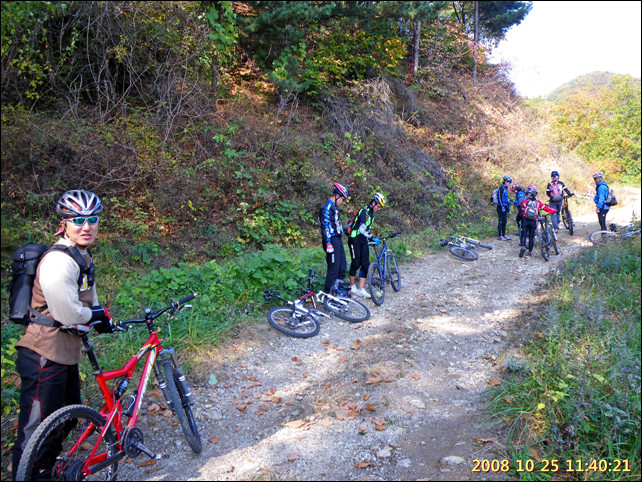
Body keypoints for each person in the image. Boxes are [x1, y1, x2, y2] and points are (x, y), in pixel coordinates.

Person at [12, 190, 115, 480]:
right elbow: (69, 314)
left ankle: (45, 470)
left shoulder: (81, 256)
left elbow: (87, 297)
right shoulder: (59, 261)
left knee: (65, 420)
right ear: (64, 223)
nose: (87, 226)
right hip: (43, 353)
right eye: (78, 220)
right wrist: (96, 315)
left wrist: (99, 315)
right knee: (35, 430)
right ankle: (30, 474)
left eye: (92, 219)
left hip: (64, 353)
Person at [347, 193, 385, 299]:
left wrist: (370, 238)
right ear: (373, 202)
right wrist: (372, 237)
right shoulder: (364, 211)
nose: (378, 209)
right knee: (355, 263)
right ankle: (352, 286)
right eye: (378, 206)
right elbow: (361, 228)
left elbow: (366, 230)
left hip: (363, 239)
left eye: (380, 207)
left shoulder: (372, 214)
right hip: (354, 238)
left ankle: (361, 289)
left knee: (365, 263)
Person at [319, 182, 349, 294]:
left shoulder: (335, 207)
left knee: (342, 266)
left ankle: (337, 289)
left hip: (337, 238)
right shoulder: (326, 208)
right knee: (334, 268)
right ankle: (328, 293)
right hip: (330, 239)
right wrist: (328, 243)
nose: (343, 202)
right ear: (337, 195)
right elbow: (324, 226)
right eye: (343, 199)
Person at [519, 185, 557, 258]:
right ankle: (530, 252)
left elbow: (522, 211)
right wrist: (554, 210)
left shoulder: (525, 202)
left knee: (524, 235)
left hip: (525, 220)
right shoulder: (538, 203)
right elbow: (546, 208)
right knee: (531, 236)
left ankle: (523, 247)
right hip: (533, 221)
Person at [497, 175, 512, 240]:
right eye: (508, 183)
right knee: (500, 221)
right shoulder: (501, 188)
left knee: (504, 221)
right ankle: (500, 236)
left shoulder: (505, 189)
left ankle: (504, 234)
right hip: (500, 207)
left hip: (505, 207)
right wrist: (502, 206)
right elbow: (499, 198)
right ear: (505, 182)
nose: (509, 184)